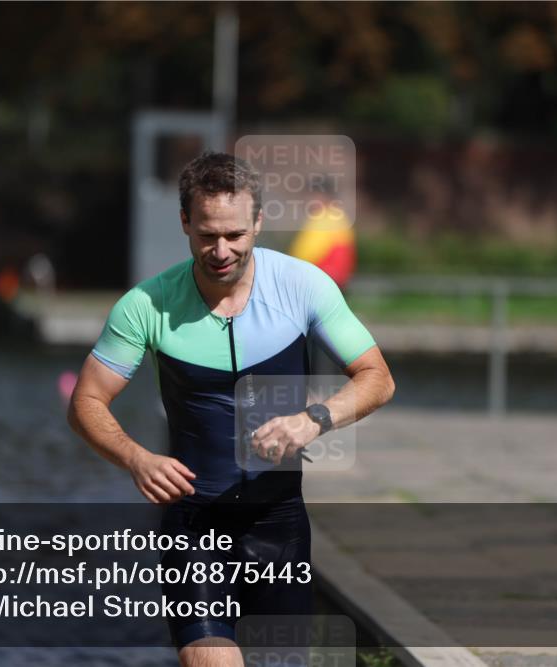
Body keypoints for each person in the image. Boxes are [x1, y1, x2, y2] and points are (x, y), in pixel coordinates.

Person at [68, 151, 394, 667]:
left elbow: (377, 378)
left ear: (259, 222)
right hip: (195, 529)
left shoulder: (302, 286)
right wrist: (136, 458)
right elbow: (85, 400)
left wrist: (314, 419)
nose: (221, 250)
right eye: (207, 235)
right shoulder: (147, 305)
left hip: (279, 527)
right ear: (185, 224)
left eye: (236, 235)